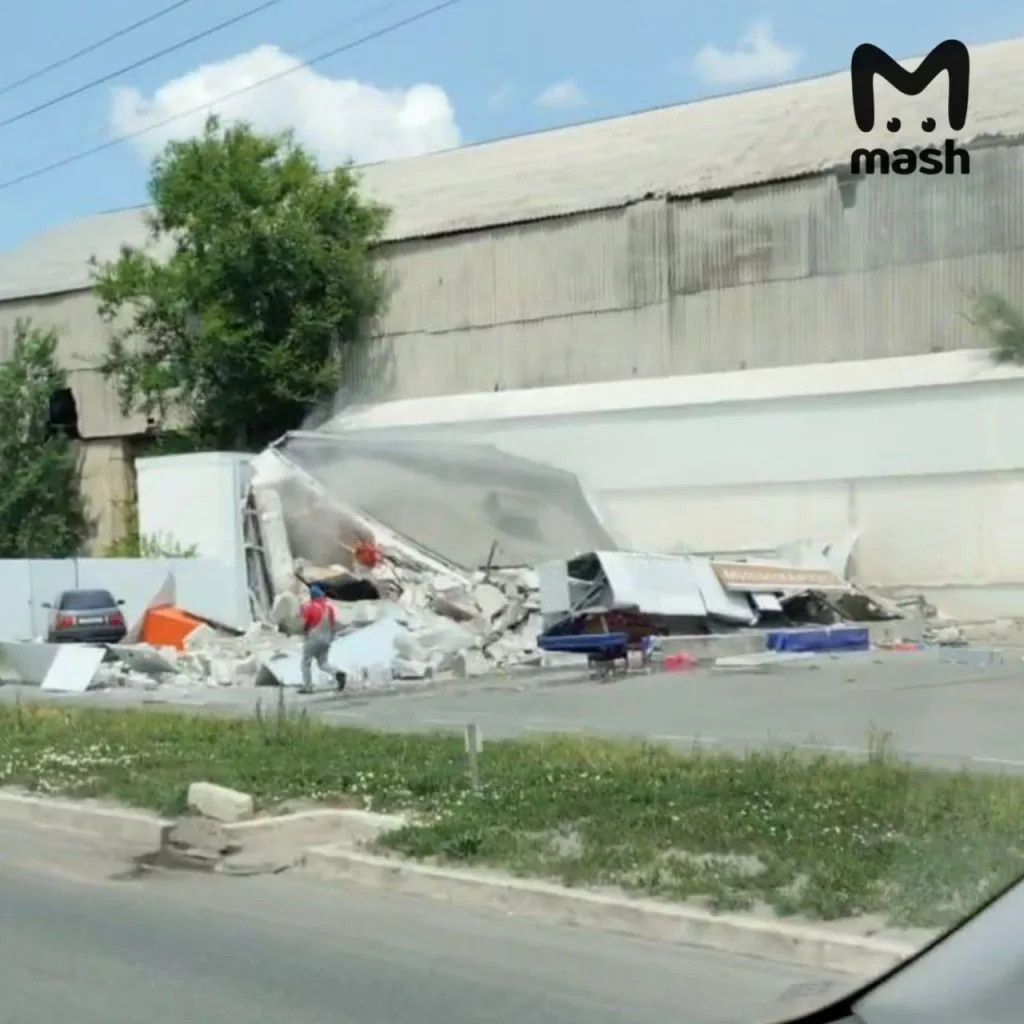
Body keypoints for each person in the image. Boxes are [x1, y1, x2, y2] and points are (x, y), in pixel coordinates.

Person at [299, 584, 346, 694]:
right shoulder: (329, 608)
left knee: (305, 662)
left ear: (312, 596)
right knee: (323, 663)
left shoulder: (310, 608)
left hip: (314, 638)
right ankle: (337, 673)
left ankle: (308, 687)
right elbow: (333, 624)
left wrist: (303, 632)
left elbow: (304, 624)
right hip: (327, 639)